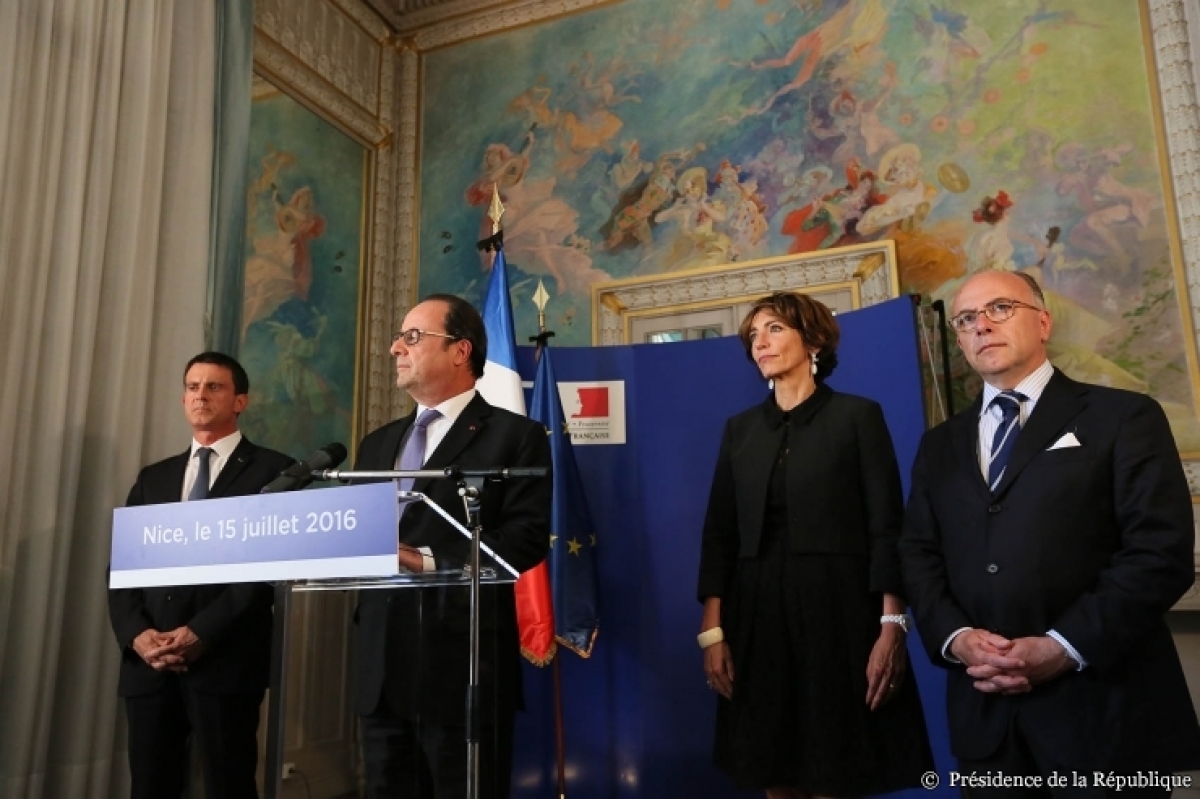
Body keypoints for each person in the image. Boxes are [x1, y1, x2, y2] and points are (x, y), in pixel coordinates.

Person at [900, 270, 1200, 792]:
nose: (980, 327)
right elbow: (918, 553)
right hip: (986, 720)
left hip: (1104, 714)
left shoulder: (1123, 417)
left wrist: (1063, 645)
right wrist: (958, 638)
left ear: (1043, 321)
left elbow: (1159, 551)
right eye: (967, 319)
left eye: (999, 309)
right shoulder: (939, 445)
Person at [696, 292, 934, 798]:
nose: (760, 342)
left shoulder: (857, 417)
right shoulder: (739, 431)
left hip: (841, 611)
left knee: (834, 767)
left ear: (814, 339)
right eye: (753, 334)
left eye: (775, 329)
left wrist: (892, 624)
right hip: (757, 615)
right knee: (772, 768)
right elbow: (720, 532)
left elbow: (887, 526)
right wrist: (713, 631)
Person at [352, 294, 551, 798]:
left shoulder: (515, 436)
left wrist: (428, 561)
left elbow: (524, 541)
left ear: (461, 351)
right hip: (380, 671)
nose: (396, 347)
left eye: (413, 337)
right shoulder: (376, 444)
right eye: (399, 336)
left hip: (462, 668)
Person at [107, 352, 295, 799]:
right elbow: (122, 566)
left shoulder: (276, 472)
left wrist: (199, 632)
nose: (201, 396)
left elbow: (265, 570)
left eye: (214, 387)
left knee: (227, 784)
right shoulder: (155, 477)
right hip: (150, 664)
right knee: (151, 785)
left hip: (226, 659)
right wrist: (138, 636)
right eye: (193, 387)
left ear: (240, 401)